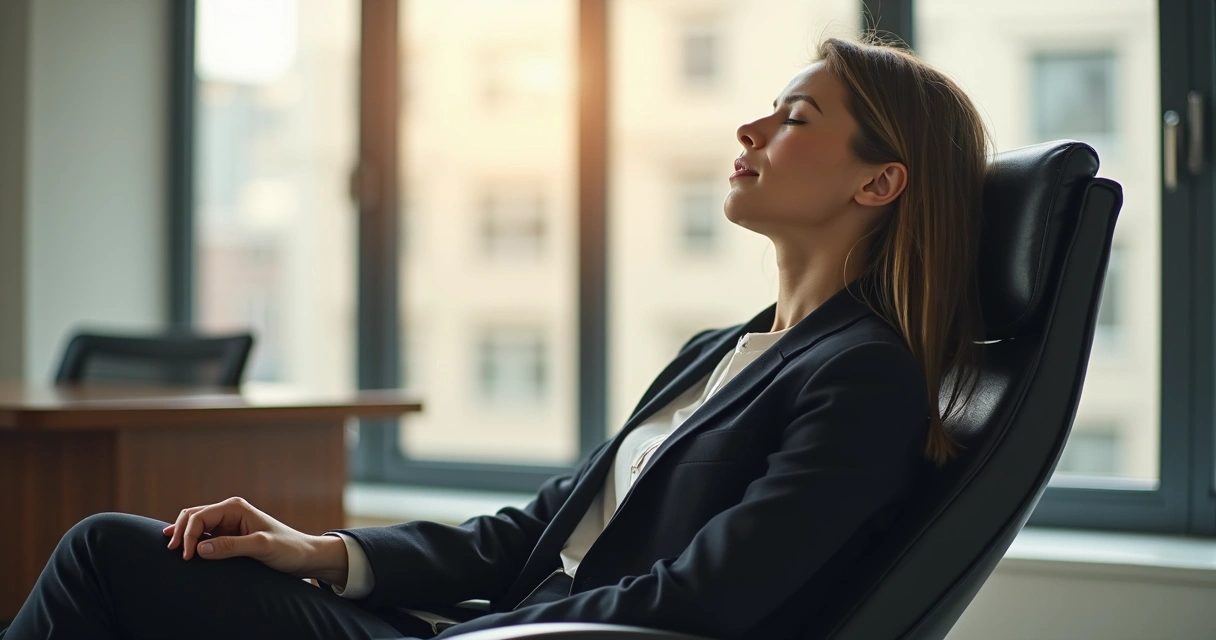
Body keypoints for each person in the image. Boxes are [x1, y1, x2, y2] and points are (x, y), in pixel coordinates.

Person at [1, 35, 987, 640]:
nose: (749, 129)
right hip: (493, 627)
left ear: (878, 182)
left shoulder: (863, 379)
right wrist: (315, 551)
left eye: (794, 117)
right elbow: (534, 530)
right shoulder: (718, 349)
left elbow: (707, 600)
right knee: (152, 574)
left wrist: (501, 633)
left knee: (106, 558)